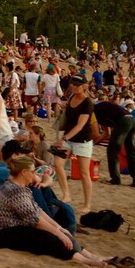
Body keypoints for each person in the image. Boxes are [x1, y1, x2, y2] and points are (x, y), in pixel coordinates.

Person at [0, 155, 113, 268]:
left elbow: (37, 210)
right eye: (32, 172)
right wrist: (58, 233)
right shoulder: (15, 191)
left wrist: (59, 228)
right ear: (23, 173)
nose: (34, 175)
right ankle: (85, 260)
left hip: (15, 228)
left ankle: (90, 255)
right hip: (3, 233)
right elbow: (36, 220)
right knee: (49, 238)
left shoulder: (20, 187)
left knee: (61, 234)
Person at [51, 75, 94, 213]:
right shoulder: (71, 98)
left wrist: (63, 139)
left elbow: (80, 126)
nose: (74, 86)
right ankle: (66, 194)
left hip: (82, 140)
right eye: (72, 84)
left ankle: (87, 204)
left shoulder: (87, 102)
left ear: (84, 86)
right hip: (69, 138)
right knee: (58, 163)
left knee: (84, 173)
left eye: (77, 84)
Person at [93, 100, 135, 187]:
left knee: (112, 151)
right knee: (131, 151)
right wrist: (96, 142)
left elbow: (106, 133)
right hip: (132, 120)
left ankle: (115, 179)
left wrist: (94, 143)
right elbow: (107, 133)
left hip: (123, 122)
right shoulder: (101, 107)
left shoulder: (95, 112)